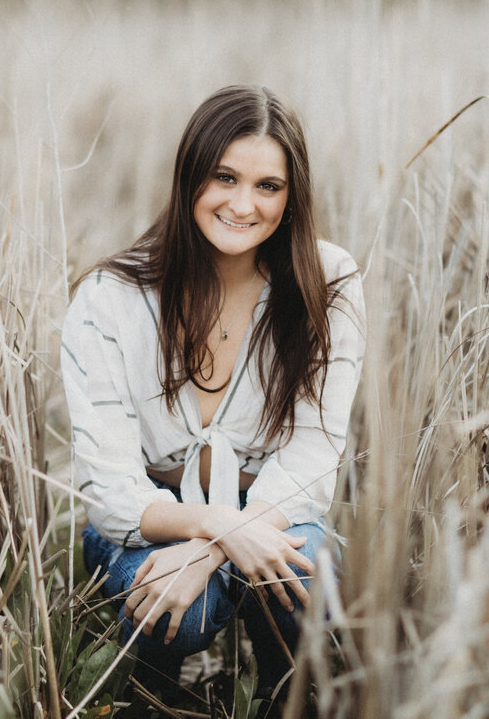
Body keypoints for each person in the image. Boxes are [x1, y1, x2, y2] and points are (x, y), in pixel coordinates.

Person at [61, 85, 365, 701]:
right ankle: (148, 696)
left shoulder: (327, 282)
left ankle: (291, 695)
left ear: (292, 195)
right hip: (151, 520)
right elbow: (110, 490)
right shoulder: (109, 298)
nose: (243, 204)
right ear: (190, 176)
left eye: (268, 186)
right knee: (181, 615)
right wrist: (218, 529)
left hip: (276, 511)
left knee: (308, 592)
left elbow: (312, 461)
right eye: (224, 177)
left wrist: (215, 547)